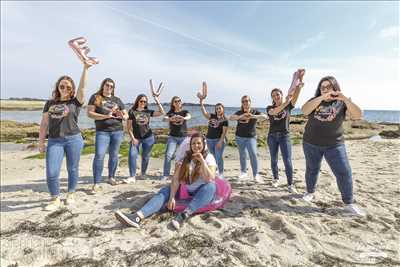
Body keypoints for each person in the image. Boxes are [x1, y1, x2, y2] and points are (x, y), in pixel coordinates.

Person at [114, 133, 218, 230]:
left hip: (201, 191)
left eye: (199, 143)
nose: (196, 146)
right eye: (193, 143)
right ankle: (137, 217)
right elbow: (176, 179)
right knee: (165, 191)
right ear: (190, 145)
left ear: (204, 144)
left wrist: (202, 161)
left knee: (211, 186)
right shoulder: (185, 158)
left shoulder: (209, 158)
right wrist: (172, 197)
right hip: (186, 189)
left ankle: (183, 215)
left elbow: (209, 178)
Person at [301, 76, 365, 216]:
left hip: (334, 144)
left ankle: (349, 203)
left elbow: (358, 115)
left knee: (344, 172)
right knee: (312, 169)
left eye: (328, 86)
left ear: (335, 87)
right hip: (311, 143)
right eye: (322, 87)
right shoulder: (314, 101)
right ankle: (310, 192)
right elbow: (304, 111)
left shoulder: (342, 103)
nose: (325, 89)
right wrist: (321, 97)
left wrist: (345, 99)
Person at [39, 62, 90, 211]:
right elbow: (44, 124)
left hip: (74, 139)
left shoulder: (76, 101)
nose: (65, 89)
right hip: (55, 141)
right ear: (58, 87)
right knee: (51, 171)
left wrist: (85, 68)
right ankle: (55, 198)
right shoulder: (49, 103)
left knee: (72, 169)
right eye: (62, 86)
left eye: (68, 87)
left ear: (72, 89)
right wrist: (41, 142)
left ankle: (71, 193)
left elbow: (83, 87)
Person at [87, 78, 128, 193]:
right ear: (103, 85)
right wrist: (106, 116)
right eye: (107, 85)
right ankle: (96, 183)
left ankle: (111, 177)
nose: (109, 87)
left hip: (117, 130)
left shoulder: (117, 100)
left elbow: (126, 115)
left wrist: (122, 116)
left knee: (114, 155)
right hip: (102, 131)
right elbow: (90, 113)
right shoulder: (96, 97)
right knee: (99, 155)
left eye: (111, 86)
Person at [266, 70, 304, 192]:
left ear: (281, 95)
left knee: (287, 160)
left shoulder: (289, 105)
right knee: (274, 159)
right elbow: (274, 112)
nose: (276, 97)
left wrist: (299, 81)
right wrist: (287, 101)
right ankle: (276, 179)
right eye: (273, 95)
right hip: (272, 136)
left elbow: (296, 93)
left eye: (278, 94)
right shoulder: (269, 108)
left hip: (285, 136)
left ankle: (290, 184)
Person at [124, 92, 165, 183]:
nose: (143, 103)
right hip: (136, 138)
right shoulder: (132, 112)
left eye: (145, 102)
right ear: (137, 101)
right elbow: (129, 128)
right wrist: (133, 138)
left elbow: (162, 112)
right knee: (132, 155)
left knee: (145, 157)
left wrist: (157, 100)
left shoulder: (148, 112)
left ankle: (143, 173)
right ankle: (132, 176)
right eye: (141, 101)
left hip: (148, 138)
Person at [229, 95, 267, 182]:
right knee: (242, 155)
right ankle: (243, 172)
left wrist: (252, 116)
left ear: (250, 102)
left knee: (253, 154)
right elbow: (231, 118)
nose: (245, 103)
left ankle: (256, 174)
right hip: (239, 137)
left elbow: (265, 117)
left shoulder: (254, 112)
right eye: (243, 101)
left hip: (251, 137)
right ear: (242, 103)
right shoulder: (239, 112)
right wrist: (240, 116)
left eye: (246, 101)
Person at [198, 82, 228, 178]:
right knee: (212, 157)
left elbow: (224, 132)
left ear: (223, 109)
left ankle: (221, 173)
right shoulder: (212, 116)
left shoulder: (224, 119)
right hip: (209, 139)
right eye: (217, 108)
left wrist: (220, 141)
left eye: (220, 108)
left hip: (219, 140)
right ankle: (214, 171)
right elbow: (204, 112)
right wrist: (201, 101)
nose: (218, 109)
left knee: (218, 156)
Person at [162, 96, 191, 180]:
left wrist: (184, 118)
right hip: (173, 137)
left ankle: (185, 173)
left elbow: (189, 116)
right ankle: (166, 175)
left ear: (181, 102)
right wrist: (170, 118)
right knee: (168, 155)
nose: (177, 102)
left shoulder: (185, 112)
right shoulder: (170, 112)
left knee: (185, 156)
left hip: (183, 137)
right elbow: (164, 119)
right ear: (173, 103)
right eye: (175, 101)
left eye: (179, 101)